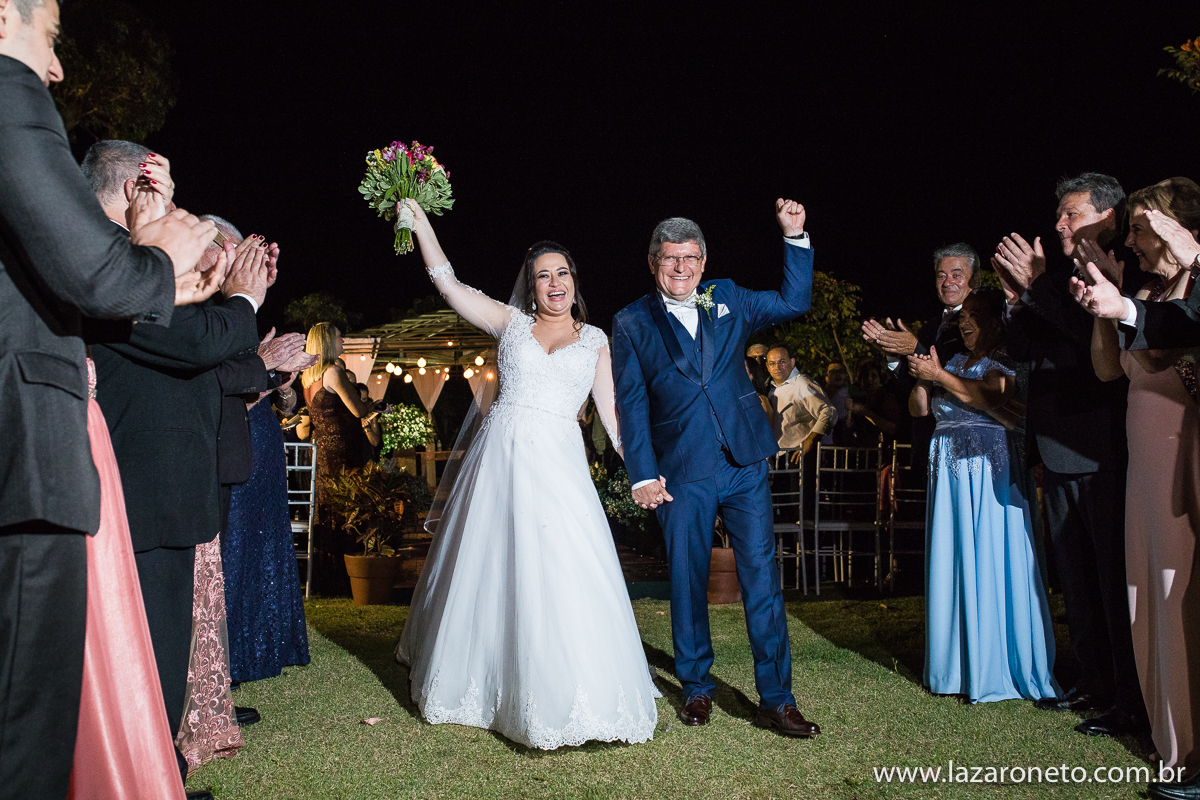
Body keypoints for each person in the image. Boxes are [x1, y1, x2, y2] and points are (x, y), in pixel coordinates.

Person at [0, 3, 219, 794]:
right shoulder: (7, 94)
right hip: (28, 448)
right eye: (52, 38)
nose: (57, 67)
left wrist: (163, 280)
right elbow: (93, 276)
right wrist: (158, 254)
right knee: (26, 728)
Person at [394, 198, 659, 749]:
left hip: (559, 465)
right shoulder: (510, 323)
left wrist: (643, 474)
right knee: (492, 566)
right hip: (501, 463)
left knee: (564, 566)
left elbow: (614, 419)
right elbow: (449, 285)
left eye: (562, 273)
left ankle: (568, 688)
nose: (554, 283)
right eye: (543, 276)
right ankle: (487, 681)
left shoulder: (596, 341)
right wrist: (421, 225)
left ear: (574, 281)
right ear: (531, 286)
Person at [612, 200, 818, 736]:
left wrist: (794, 237)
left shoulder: (727, 296)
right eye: (670, 258)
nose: (681, 268)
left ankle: (777, 699)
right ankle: (697, 687)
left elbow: (794, 300)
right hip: (681, 471)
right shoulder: (631, 321)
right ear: (653, 262)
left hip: (743, 462)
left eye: (691, 258)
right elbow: (631, 402)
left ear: (703, 263)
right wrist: (642, 472)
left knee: (762, 578)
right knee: (687, 581)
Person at [992, 172, 1145, 736]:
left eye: (1071, 213)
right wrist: (1016, 301)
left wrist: (1036, 288)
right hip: (1055, 453)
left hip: (1103, 451)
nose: (1059, 223)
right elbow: (1026, 352)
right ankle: (1093, 681)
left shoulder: (1127, 273)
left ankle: (1131, 697)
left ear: (1109, 217)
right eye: (1058, 214)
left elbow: (1098, 350)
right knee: (1076, 582)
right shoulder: (1056, 282)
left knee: (1112, 583)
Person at [1070, 189, 1200, 800]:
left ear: (1176, 227)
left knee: (1181, 596)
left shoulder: (1190, 292)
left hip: (1183, 457)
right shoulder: (1149, 293)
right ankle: (1172, 738)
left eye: (1140, 228)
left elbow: (1167, 347)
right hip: (1144, 465)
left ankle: (1190, 748)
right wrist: (1108, 305)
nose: (1130, 241)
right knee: (1147, 595)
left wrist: (1122, 304)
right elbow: (1109, 369)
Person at [907, 288, 1059, 703]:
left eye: (974, 315)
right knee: (952, 556)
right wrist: (922, 377)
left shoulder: (1004, 361)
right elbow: (920, 410)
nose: (965, 322)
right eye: (962, 317)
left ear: (995, 320)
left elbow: (990, 396)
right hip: (949, 472)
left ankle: (995, 662)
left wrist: (938, 376)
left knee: (988, 552)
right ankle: (954, 667)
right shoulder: (954, 361)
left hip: (986, 468)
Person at [224, 376, 312, 684]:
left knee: (268, 542)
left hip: (266, 440)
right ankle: (232, 650)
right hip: (236, 437)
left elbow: (288, 407)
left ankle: (270, 642)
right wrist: (261, 389)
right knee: (237, 543)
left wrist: (285, 389)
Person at [301, 321, 378, 592]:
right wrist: (372, 406)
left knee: (328, 508)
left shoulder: (308, 377)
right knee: (348, 505)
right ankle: (348, 576)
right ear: (326, 342)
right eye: (338, 336)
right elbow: (358, 410)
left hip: (323, 450)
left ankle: (327, 575)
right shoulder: (334, 371)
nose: (342, 339)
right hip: (343, 450)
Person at [765, 344, 836, 461]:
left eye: (782, 362)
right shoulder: (769, 387)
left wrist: (810, 439)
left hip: (799, 454)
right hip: (779, 455)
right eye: (772, 363)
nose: (777, 367)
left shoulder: (802, 384)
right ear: (767, 366)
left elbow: (829, 411)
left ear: (792, 362)